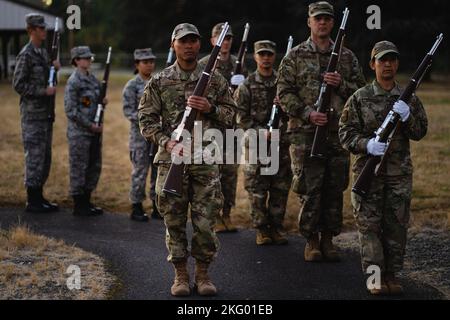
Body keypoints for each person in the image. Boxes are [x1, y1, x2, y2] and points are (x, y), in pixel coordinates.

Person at [138, 23, 236, 297]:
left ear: (199, 44)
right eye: (183, 41)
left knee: (206, 222)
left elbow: (231, 115)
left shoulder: (215, 81)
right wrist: (167, 142)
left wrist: (211, 107)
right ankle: (180, 275)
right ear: (173, 45)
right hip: (173, 160)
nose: (189, 45)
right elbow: (146, 120)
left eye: (193, 40)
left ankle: (203, 275)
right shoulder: (159, 81)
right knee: (175, 220)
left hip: (206, 160)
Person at [277, 1, 366, 262]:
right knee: (310, 188)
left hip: (338, 133)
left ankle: (329, 239)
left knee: (334, 187)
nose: (323, 22)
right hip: (305, 134)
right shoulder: (294, 55)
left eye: (327, 18)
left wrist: (341, 84)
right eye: (318, 18)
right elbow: (283, 93)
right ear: (309, 22)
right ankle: (311, 240)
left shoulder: (347, 57)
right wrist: (307, 113)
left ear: (333, 23)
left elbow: (361, 93)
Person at [339, 41, 428, 295]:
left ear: (397, 64)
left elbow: (421, 131)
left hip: (398, 175)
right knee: (369, 228)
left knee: (395, 227)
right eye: (382, 60)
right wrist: (367, 145)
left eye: (391, 60)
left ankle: (391, 274)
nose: (387, 64)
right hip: (368, 174)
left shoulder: (408, 99)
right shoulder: (360, 97)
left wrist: (408, 116)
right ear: (372, 64)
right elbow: (345, 134)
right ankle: (375, 276)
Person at [235, 40, 291, 246]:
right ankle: (261, 230)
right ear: (256, 57)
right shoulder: (247, 84)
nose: (266, 58)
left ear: (274, 56)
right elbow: (240, 118)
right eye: (262, 54)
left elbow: (293, 114)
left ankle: (276, 228)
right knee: (257, 190)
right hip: (256, 147)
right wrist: (261, 133)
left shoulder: (283, 84)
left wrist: (283, 109)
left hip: (280, 145)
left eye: (269, 54)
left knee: (279, 188)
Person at [198, 23, 247, 233]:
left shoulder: (239, 64)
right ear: (213, 41)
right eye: (221, 38)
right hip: (210, 128)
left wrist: (241, 85)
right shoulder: (203, 64)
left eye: (228, 39)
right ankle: (214, 215)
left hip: (232, 129)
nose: (225, 42)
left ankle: (227, 214)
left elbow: (246, 97)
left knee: (230, 174)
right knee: (212, 173)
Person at [13, 13, 60, 213]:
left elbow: (47, 77)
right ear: (31, 30)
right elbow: (18, 84)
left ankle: (39, 196)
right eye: (40, 28)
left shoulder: (42, 53)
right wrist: (43, 92)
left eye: (44, 28)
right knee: (34, 156)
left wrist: (54, 68)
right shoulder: (26, 54)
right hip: (32, 115)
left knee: (44, 157)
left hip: (45, 114)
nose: (44, 31)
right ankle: (32, 200)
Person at [64, 46, 108, 216]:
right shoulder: (74, 81)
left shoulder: (93, 79)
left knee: (93, 166)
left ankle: (87, 200)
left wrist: (102, 101)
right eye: (85, 58)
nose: (88, 60)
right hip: (80, 133)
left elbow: (94, 101)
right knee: (79, 167)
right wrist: (89, 125)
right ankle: (79, 204)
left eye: (90, 57)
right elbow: (71, 110)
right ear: (76, 60)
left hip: (94, 132)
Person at [123, 48, 162, 222]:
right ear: (137, 64)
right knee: (140, 171)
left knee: (157, 171)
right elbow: (128, 111)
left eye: (151, 61)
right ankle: (136, 207)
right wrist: (147, 123)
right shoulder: (132, 85)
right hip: (139, 137)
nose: (149, 65)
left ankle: (156, 206)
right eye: (145, 62)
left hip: (157, 137)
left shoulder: (158, 82)